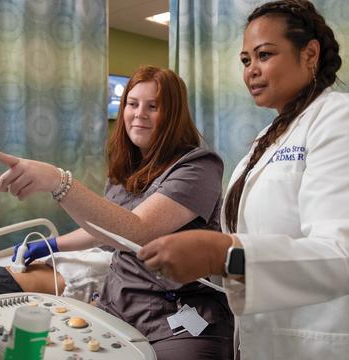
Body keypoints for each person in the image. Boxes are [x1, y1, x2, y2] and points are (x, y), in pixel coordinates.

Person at [137, 1, 349, 360]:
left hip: (319, 341)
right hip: (261, 336)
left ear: (310, 53)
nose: (251, 70)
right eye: (245, 60)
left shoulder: (337, 120)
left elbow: (341, 254)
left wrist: (221, 254)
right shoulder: (269, 136)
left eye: (264, 55)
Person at [0, 65, 234, 359]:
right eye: (132, 104)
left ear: (174, 115)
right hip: (118, 302)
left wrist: (58, 181)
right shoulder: (127, 168)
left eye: (153, 106)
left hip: (179, 313)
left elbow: (138, 230)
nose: (139, 113)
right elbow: (107, 231)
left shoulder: (199, 167)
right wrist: (51, 244)